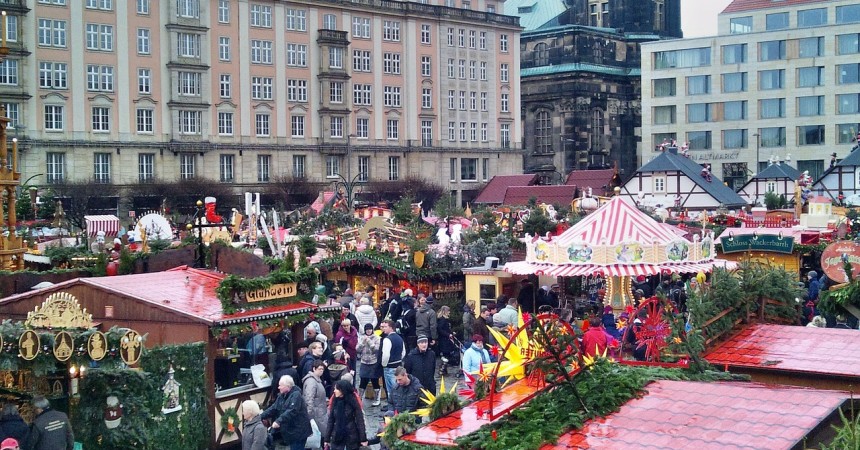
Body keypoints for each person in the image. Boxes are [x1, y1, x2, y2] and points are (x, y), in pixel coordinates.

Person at [261, 375, 313, 450]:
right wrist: (260, 416)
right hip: (291, 431)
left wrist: (278, 421)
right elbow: (273, 408)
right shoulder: (281, 396)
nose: (278, 387)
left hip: (298, 431)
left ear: (287, 386)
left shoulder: (296, 395)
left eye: (280, 385)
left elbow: (291, 411)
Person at [323, 379, 368, 450]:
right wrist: (327, 439)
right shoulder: (335, 400)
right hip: (337, 435)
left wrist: (363, 439)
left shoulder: (353, 401)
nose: (334, 391)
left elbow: (360, 421)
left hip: (351, 435)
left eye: (336, 389)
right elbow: (331, 420)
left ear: (342, 390)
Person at [377, 320, 405, 407]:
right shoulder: (400, 338)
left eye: (385, 327)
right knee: (398, 387)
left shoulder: (387, 339)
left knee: (391, 390)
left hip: (389, 366)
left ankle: (393, 407)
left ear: (391, 327)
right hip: (398, 365)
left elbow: (385, 355)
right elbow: (403, 352)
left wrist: (384, 364)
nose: (383, 329)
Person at [356, 323, 383, 406]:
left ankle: (377, 399)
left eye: (370, 329)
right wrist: (362, 343)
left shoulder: (377, 338)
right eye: (367, 329)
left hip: (373, 362)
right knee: (363, 380)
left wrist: (370, 342)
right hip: (364, 362)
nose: (368, 331)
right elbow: (357, 349)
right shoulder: (361, 337)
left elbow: (377, 350)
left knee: (375, 381)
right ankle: (359, 398)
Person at [302, 361, 329, 440]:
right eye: (319, 369)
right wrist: (309, 416)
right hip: (316, 413)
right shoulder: (311, 381)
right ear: (314, 369)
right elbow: (309, 399)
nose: (321, 371)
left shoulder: (317, 380)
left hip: (320, 412)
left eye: (323, 369)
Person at [404, 336, 436, 401]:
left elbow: (433, 369)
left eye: (425, 342)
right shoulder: (411, 356)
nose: (424, 345)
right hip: (416, 387)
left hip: (429, 386)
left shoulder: (431, 354)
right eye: (421, 343)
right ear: (418, 344)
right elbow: (408, 371)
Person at [436, 306, 458, 375]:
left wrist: (451, 333)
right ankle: (442, 369)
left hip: (446, 339)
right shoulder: (442, 320)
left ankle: (444, 369)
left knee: (447, 355)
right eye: (448, 311)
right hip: (444, 340)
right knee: (445, 355)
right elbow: (440, 330)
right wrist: (448, 334)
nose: (449, 312)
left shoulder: (445, 319)